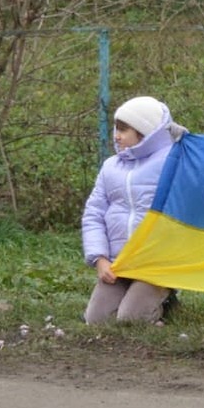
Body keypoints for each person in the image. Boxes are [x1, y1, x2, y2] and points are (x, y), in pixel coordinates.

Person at [81, 95, 182, 325]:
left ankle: (166, 301)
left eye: (123, 130)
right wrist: (100, 258)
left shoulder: (172, 161)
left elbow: (197, 189)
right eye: (116, 128)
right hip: (119, 263)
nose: (116, 136)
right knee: (95, 320)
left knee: (131, 319)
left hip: (155, 264)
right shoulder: (110, 167)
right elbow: (94, 214)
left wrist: (188, 145)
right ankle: (131, 297)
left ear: (145, 132)